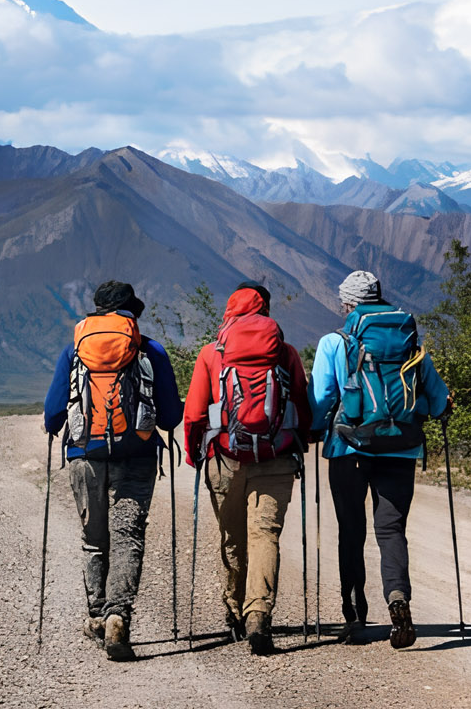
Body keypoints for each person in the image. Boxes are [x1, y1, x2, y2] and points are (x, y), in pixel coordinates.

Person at [44, 280, 182, 662]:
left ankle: (96, 616)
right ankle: (119, 614)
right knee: (127, 536)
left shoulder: (74, 349)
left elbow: (54, 412)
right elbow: (171, 416)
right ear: (132, 311)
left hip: (85, 455)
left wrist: (58, 427)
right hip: (136, 454)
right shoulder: (150, 349)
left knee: (94, 538)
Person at [311, 270, 450, 649]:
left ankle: (354, 615)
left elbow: (323, 397)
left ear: (347, 304)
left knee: (351, 531)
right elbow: (439, 401)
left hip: (348, 448)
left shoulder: (335, 342)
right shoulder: (411, 342)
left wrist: (311, 428)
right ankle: (397, 597)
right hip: (400, 448)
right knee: (391, 531)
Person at [182, 281, 313, 654]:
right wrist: (302, 439)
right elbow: (302, 405)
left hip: (225, 458)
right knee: (265, 535)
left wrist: (195, 455)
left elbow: (193, 413)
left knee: (233, 537)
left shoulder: (212, 353)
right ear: (266, 310)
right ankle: (259, 615)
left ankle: (234, 608)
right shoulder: (285, 353)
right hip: (277, 457)